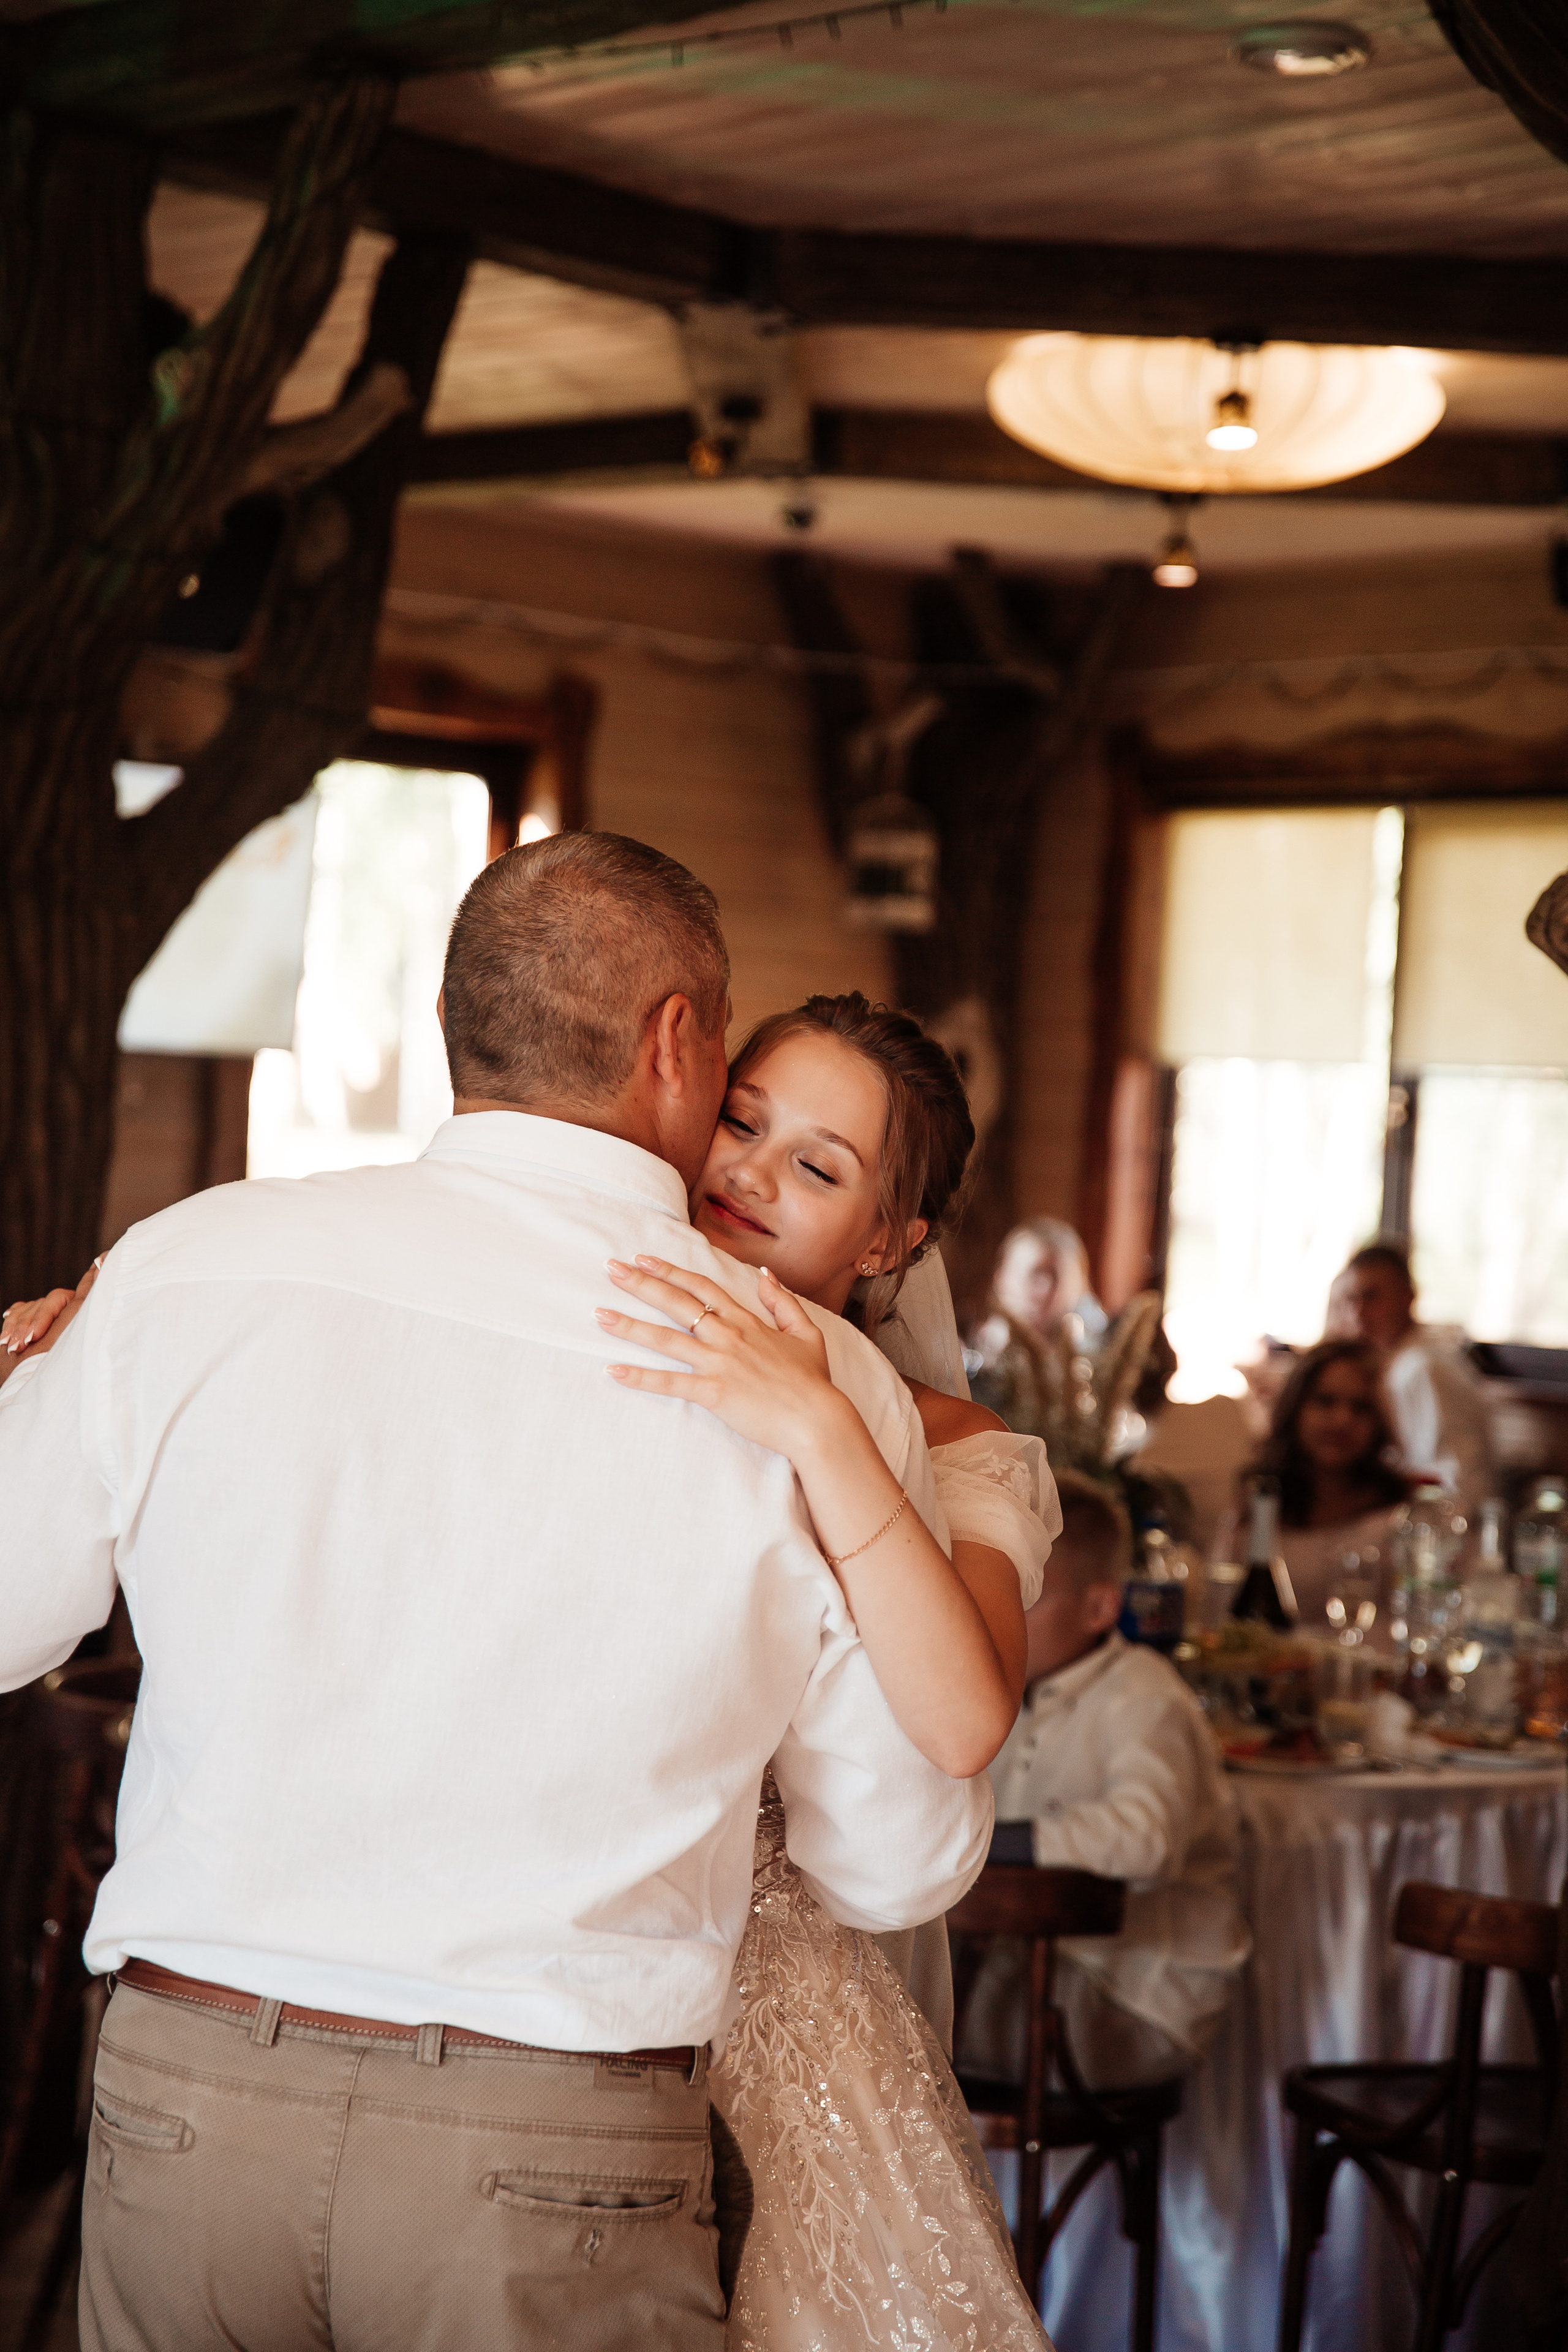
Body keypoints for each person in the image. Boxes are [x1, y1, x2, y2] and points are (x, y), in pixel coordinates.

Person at [0, 833, 996, 2352]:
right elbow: (896, 1860)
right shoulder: (810, 1383)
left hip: (194, 2107)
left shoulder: (187, 1267)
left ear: (459, 1017)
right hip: (551, 2154)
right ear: (677, 1040)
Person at [962, 1471, 1249, 2095]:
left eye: (1025, 1594)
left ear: (1099, 1608)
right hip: (1035, 1970)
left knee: (902, 2027)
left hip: (1134, 1997)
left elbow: (1145, 1838)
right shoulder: (1000, 1692)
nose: (993, 1613)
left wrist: (984, 1842)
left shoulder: (1143, 1696)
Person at [1215, 1338, 1413, 1628]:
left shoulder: (1399, 1516)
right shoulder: (1260, 1504)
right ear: (1295, 1407)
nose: (1342, 1420)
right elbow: (1221, 1609)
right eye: (1325, 1401)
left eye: (1360, 1408)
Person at [1325, 1240, 1494, 1521]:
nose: (1359, 1312)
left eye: (1372, 1297)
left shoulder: (1424, 1369)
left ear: (1408, 1297)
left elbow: (1459, 1482)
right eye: (1352, 1300)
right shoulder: (1393, 1364)